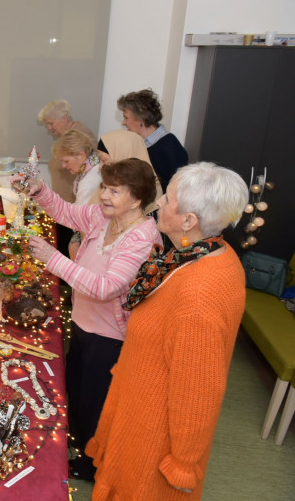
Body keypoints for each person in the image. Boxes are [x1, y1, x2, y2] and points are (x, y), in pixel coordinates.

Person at [86, 162, 248, 499]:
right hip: (140, 405)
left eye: (168, 199)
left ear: (189, 221)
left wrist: (183, 462)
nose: (158, 202)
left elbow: (198, 390)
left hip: (154, 433)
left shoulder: (200, 293)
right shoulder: (198, 252)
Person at [20, 158, 161, 481]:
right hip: (84, 324)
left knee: (96, 404)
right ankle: (79, 446)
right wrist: (40, 191)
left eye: (114, 191)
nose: (104, 196)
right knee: (76, 390)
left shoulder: (142, 238)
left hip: (110, 338)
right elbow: (67, 213)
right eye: (104, 188)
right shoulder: (103, 216)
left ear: (137, 199)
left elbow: (105, 287)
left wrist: (53, 259)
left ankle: (93, 466)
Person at [117, 88, 188, 191]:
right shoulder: (141, 143)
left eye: (126, 117)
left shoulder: (169, 147)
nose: (123, 123)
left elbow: (177, 190)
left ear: (141, 118)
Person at [51, 129, 102, 259]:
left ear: (81, 155)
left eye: (66, 161)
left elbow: (80, 218)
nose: (63, 166)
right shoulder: (93, 168)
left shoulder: (89, 180)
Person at [37, 99, 97, 203]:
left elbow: (92, 170)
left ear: (64, 118)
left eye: (51, 123)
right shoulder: (65, 137)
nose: (49, 128)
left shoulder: (82, 135)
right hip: (64, 205)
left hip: (76, 205)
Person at [94, 129, 163, 214]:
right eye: (99, 160)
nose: (100, 167)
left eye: (104, 160)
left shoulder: (150, 201)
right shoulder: (106, 185)